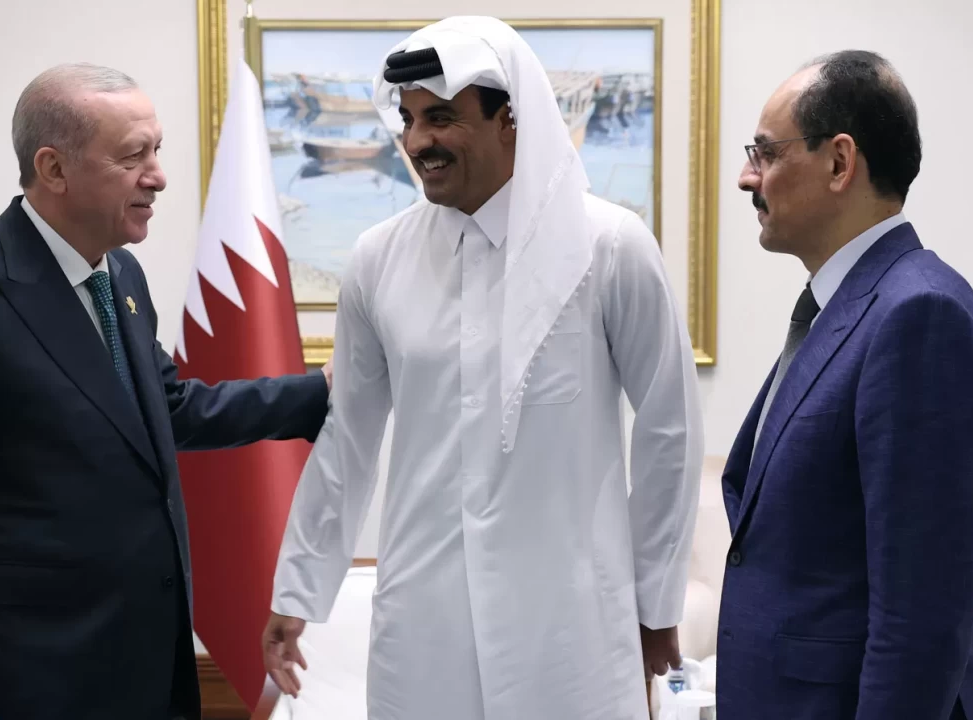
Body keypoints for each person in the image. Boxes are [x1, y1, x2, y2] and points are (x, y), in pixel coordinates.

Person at [261, 16, 704, 720]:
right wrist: (298, 589)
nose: (417, 142)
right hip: (423, 628)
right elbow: (349, 439)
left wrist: (655, 603)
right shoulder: (378, 258)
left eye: (441, 118)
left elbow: (669, 430)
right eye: (408, 120)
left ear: (510, 119)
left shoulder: (610, 246)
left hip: (571, 630)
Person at [0, 63, 332, 720]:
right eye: (132, 156)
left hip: (146, 666)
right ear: (53, 168)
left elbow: (165, 412)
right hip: (32, 682)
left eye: (157, 150)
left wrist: (320, 392)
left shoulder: (120, 274)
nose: (159, 176)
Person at [719, 50, 973, 720]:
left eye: (765, 152)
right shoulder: (849, 307)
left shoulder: (920, 314)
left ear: (840, 162)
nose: (746, 177)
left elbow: (920, 615)